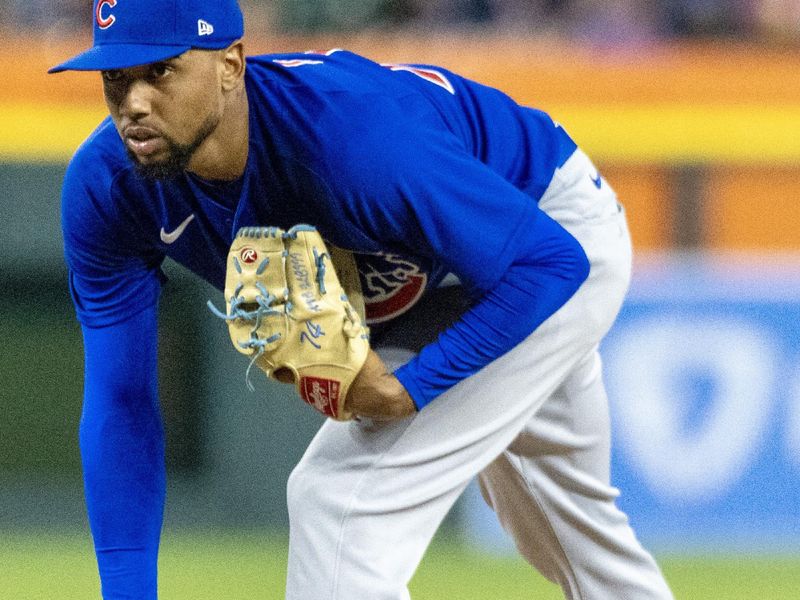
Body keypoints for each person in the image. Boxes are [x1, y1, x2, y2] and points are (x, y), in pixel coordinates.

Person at [50, 1, 674, 598]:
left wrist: (413, 389)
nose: (133, 103)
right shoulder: (107, 188)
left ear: (230, 64)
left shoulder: (349, 140)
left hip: (545, 234)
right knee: (566, 529)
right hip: (438, 283)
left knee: (340, 502)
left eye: (160, 71)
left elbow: (551, 262)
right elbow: (121, 401)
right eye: (116, 76)